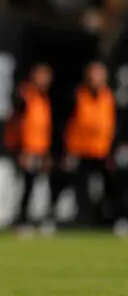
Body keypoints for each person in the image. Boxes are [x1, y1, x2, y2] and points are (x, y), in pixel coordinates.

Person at [47, 61, 116, 229]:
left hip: (102, 151)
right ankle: (77, 218)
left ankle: (109, 218)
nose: (96, 79)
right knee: (74, 185)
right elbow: (62, 123)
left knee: (111, 186)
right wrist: (64, 150)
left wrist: (112, 150)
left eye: (99, 75)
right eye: (93, 75)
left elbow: (113, 125)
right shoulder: (76, 95)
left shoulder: (109, 96)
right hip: (79, 150)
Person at [5, 64, 53, 235]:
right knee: (26, 185)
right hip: (26, 148)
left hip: (40, 148)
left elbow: (44, 127)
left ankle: (39, 219)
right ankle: (21, 220)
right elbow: (19, 123)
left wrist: (46, 151)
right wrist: (22, 150)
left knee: (40, 187)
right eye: (41, 75)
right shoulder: (25, 95)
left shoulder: (44, 98)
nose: (44, 80)